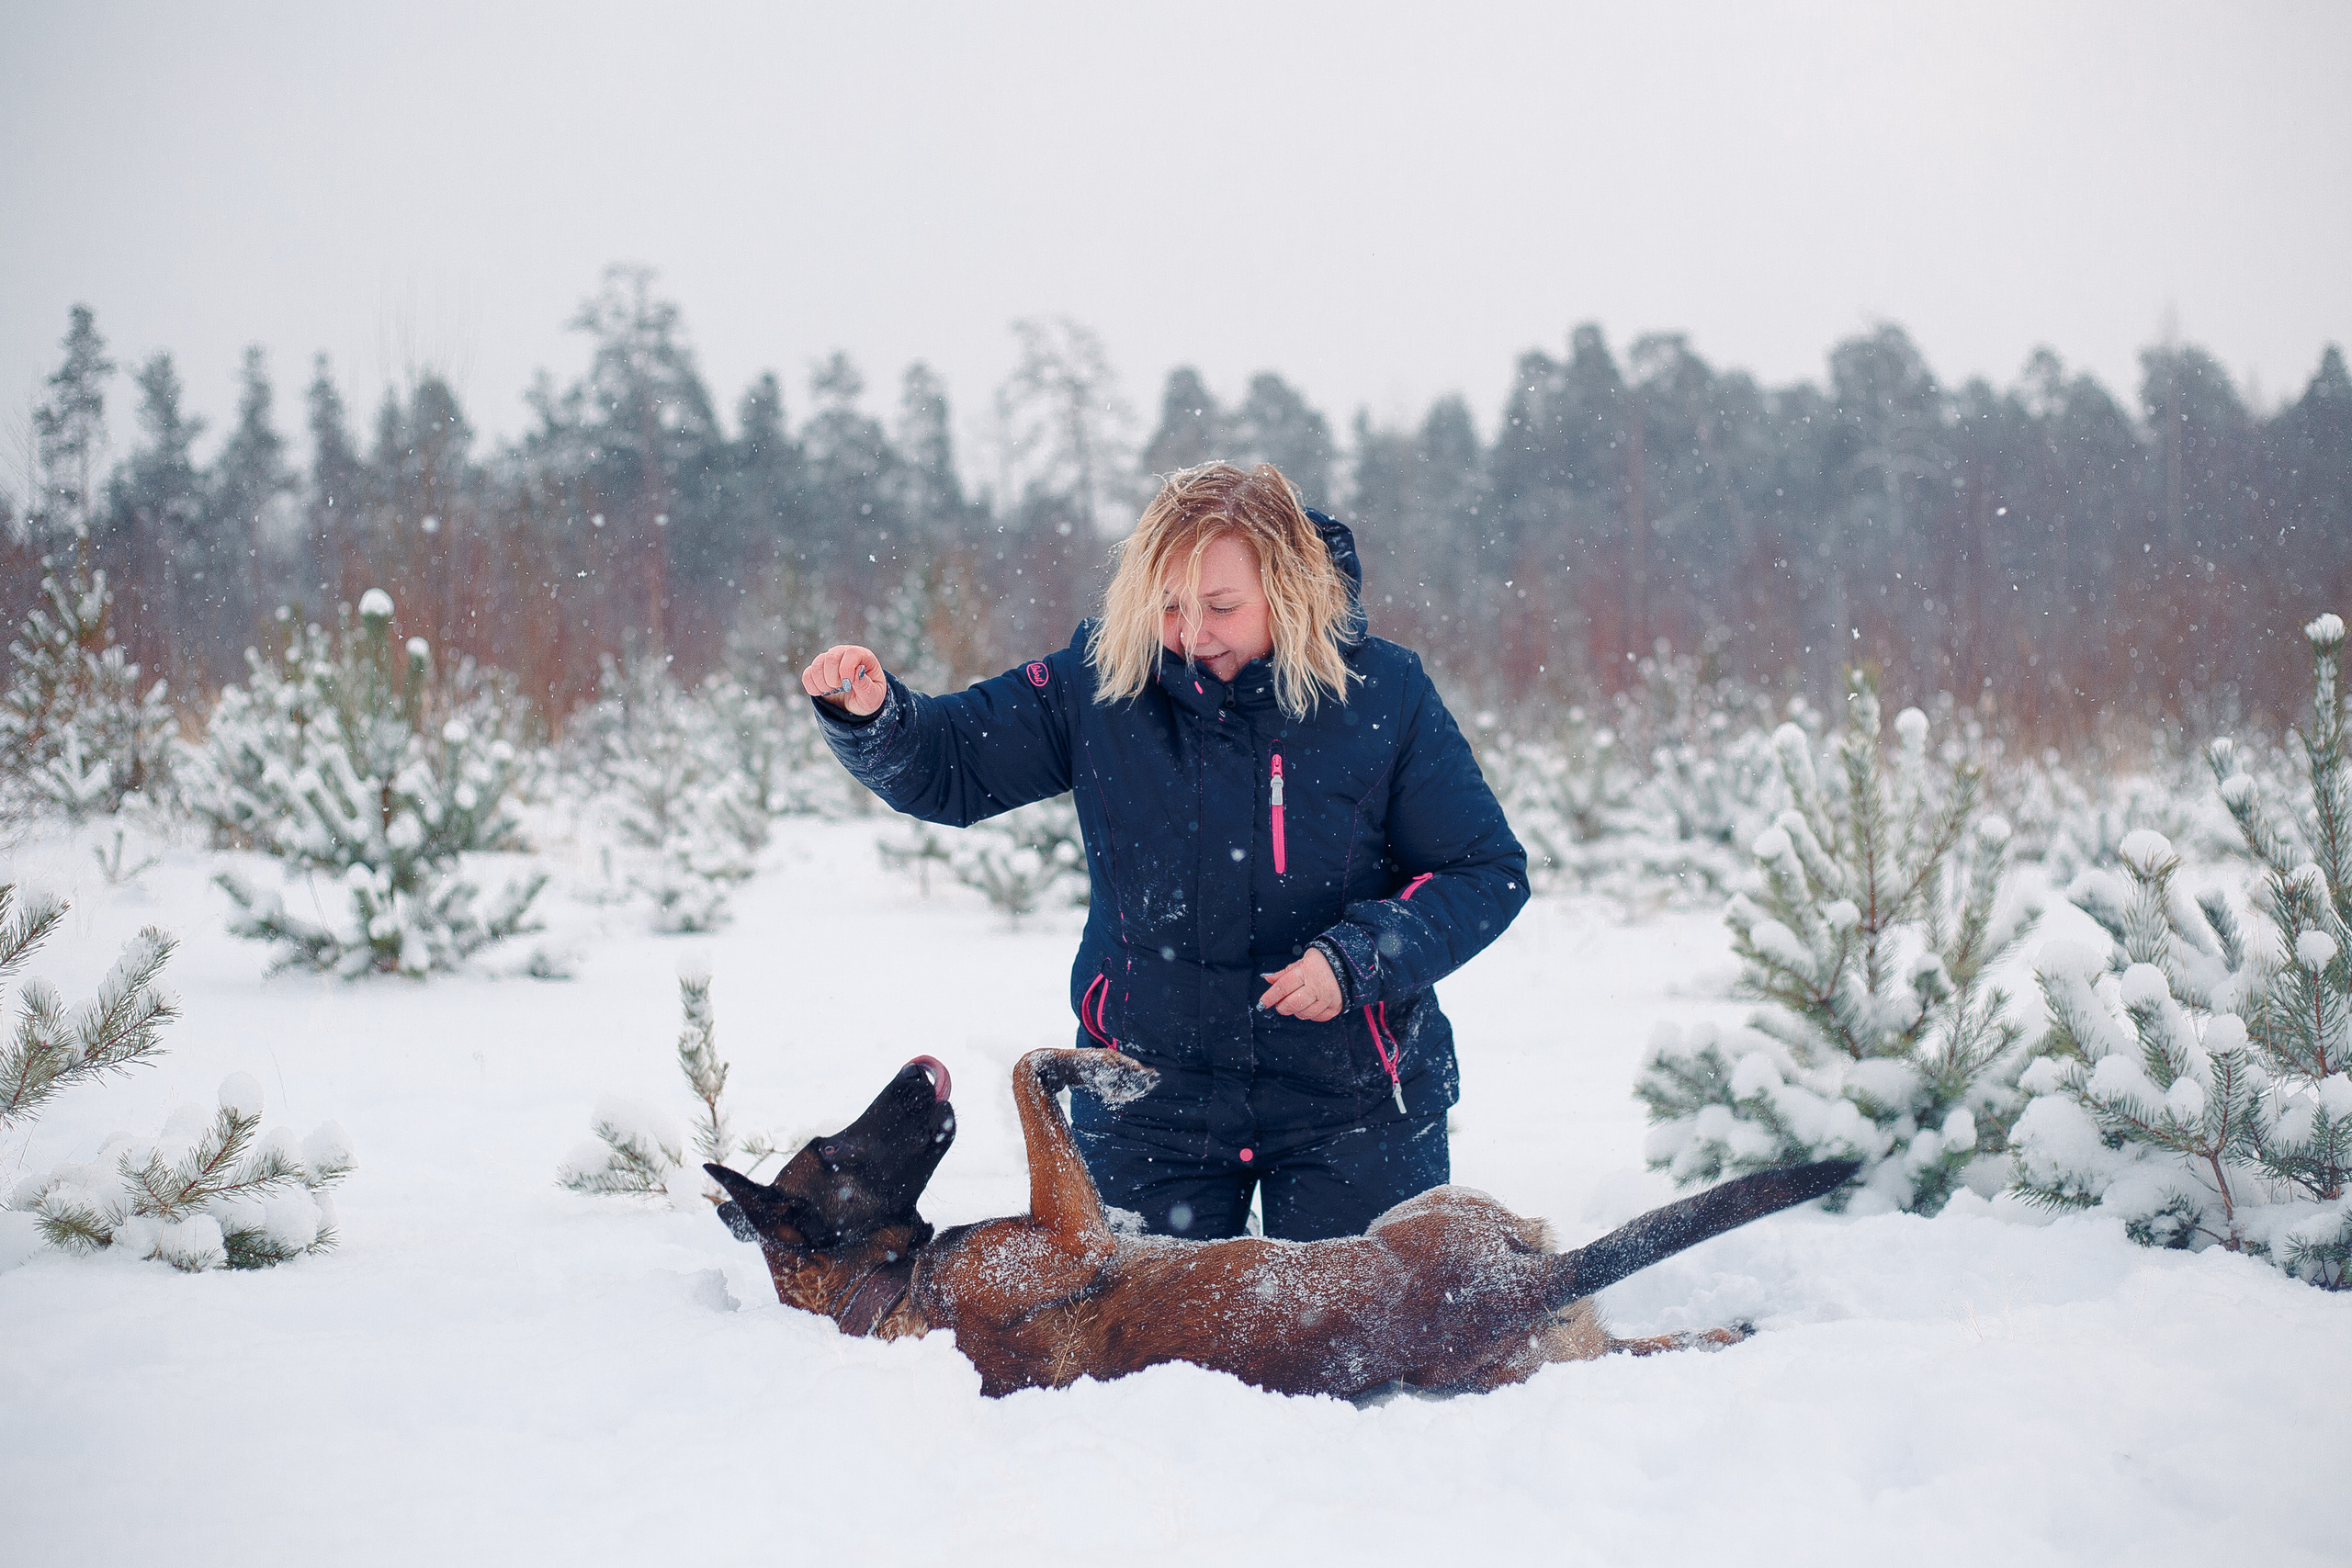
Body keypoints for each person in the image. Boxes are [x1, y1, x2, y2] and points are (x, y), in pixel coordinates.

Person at [803, 462, 1528, 1242]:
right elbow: (951, 764)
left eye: (1221, 606)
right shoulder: (1102, 682)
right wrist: (874, 716)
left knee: (1367, 1354)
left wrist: (1358, 960)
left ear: (1289, 589)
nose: (1191, 633)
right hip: (1149, 1098)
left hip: (1350, 1101)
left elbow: (1483, 870)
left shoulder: (1381, 693)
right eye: (1170, 605)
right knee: (1130, 1351)